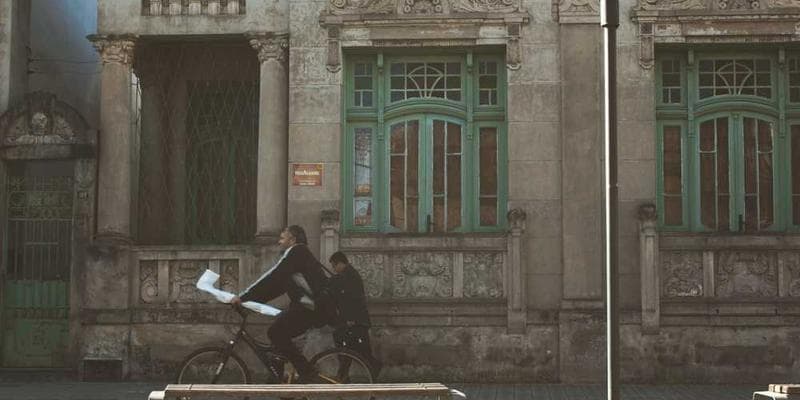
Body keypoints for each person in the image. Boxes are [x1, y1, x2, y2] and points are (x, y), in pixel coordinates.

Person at [231, 225, 327, 383]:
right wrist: (249, 302)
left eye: (282, 238)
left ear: (293, 240)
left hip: (310, 307)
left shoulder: (296, 252)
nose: (279, 241)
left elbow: (272, 277)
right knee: (279, 339)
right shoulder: (299, 255)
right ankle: (279, 380)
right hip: (308, 307)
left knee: (275, 332)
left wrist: (243, 297)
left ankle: (307, 372)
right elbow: (277, 287)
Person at [327, 251, 382, 379]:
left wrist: (350, 319)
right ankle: (343, 375)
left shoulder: (349, 276)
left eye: (335, 266)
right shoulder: (347, 275)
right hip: (354, 322)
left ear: (341, 263)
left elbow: (351, 300)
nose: (334, 269)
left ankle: (347, 374)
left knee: (358, 351)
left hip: (355, 323)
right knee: (348, 349)